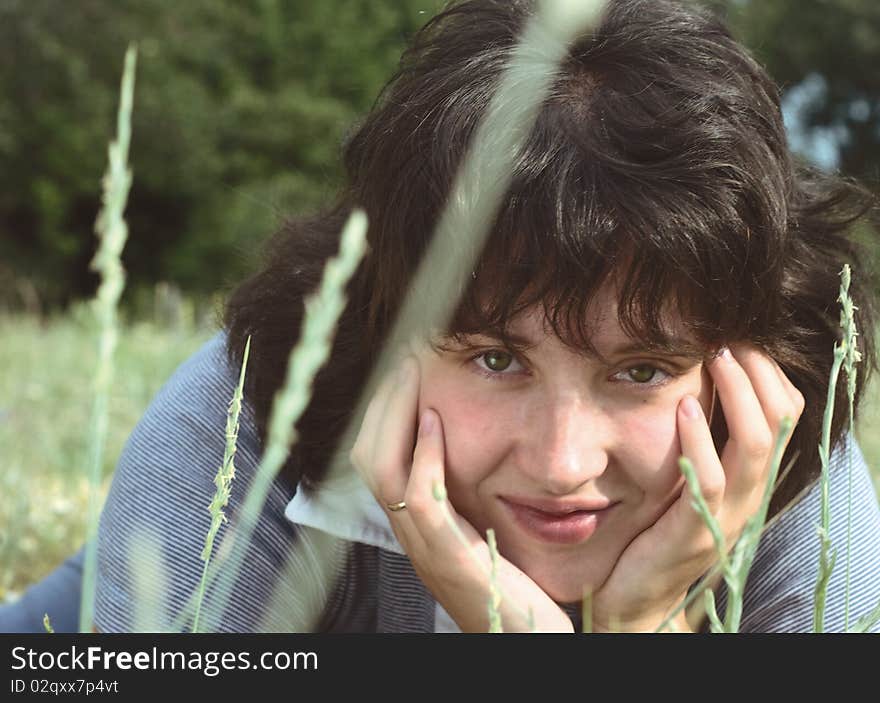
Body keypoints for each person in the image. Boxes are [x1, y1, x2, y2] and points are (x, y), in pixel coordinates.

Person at [4, 0, 880, 633]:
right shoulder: (241, 424)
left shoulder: (787, 461)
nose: (561, 463)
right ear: (392, 329)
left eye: (641, 369)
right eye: (497, 358)